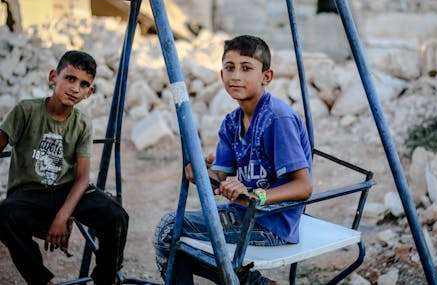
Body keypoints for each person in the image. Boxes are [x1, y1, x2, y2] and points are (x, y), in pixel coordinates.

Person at [153, 35, 313, 285]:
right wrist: (201, 172)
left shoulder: (278, 119)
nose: (236, 75)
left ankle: (251, 282)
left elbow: (304, 187)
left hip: (272, 224)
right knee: (173, 237)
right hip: (243, 213)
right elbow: (219, 176)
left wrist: (254, 194)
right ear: (221, 75)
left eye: (246, 68)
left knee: (168, 229)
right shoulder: (231, 122)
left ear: (266, 77)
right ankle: (253, 283)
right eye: (230, 68)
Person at [0, 50, 129, 285]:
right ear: (53, 77)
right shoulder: (25, 111)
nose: (75, 88)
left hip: (68, 191)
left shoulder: (81, 123)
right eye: (70, 78)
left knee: (116, 216)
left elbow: (82, 179)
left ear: (89, 93)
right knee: (4, 215)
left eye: (84, 84)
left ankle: (106, 279)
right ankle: (42, 281)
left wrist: (63, 215)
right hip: (30, 194)